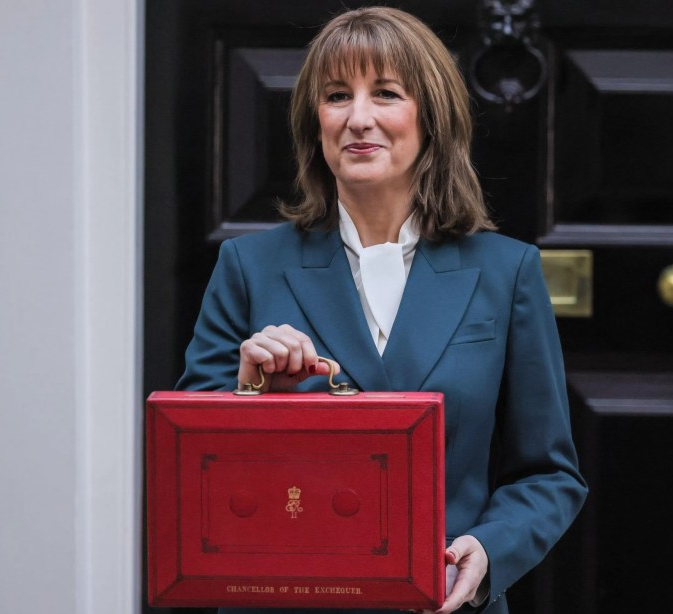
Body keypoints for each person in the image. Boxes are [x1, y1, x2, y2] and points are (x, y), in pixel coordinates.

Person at [175, 6, 586, 614]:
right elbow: (190, 476)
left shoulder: (506, 272)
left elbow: (549, 473)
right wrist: (249, 395)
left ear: (432, 118)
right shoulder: (248, 267)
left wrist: (489, 550)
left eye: (386, 93)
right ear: (315, 123)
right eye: (337, 95)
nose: (358, 118)